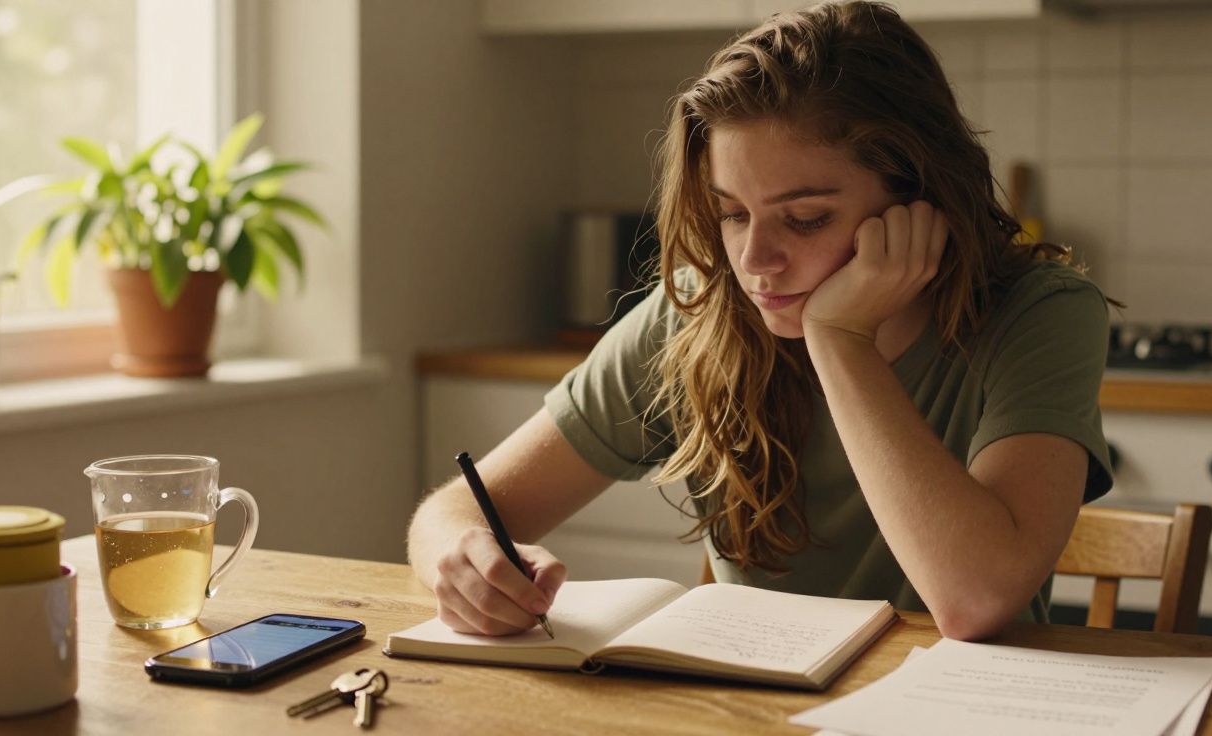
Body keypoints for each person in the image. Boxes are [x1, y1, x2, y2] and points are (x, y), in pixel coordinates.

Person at [408, 0, 1112, 642]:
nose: (755, 260)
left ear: (918, 197)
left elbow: (976, 600)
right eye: (733, 213)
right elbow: (458, 511)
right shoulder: (702, 308)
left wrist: (840, 338)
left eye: (805, 218)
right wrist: (462, 561)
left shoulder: (1040, 313)